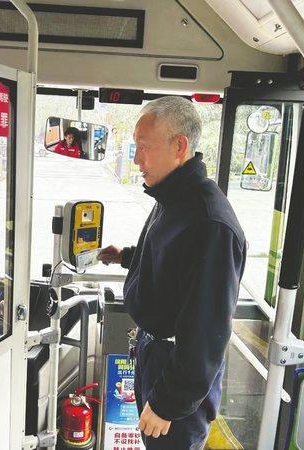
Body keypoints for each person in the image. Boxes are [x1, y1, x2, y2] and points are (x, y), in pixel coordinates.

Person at [99, 96, 246, 449]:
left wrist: (169, 402)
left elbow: (207, 330)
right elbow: (171, 263)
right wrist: (127, 257)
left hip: (177, 368)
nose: (136, 159)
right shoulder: (174, 198)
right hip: (154, 354)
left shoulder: (209, 222)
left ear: (179, 146)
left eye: (143, 147)